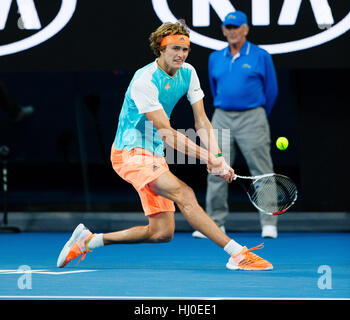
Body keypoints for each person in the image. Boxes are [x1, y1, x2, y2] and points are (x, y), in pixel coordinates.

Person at [57, 20, 273, 271]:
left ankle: (89, 241)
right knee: (185, 193)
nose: (180, 55)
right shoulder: (144, 80)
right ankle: (238, 254)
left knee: (161, 233)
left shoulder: (189, 73)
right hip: (129, 152)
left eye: (185, 50)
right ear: (160, 49)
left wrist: (217, 156)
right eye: (174, 49)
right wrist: (207, 158)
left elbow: (202, 120)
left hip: (154, 153)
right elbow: (168, 134)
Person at [192, 11, 279, 239]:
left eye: (236, 27)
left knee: (261, 170)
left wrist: (257, 113)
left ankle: (269, 222)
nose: (231, 31)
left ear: (245, 29)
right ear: (223, 30)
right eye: (228, 27)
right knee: (216, 168)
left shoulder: (260, 55)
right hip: (222, 116)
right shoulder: (215, 58)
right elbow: (214, 88)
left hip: (253, 116)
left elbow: (271, 91)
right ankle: (215, 223)